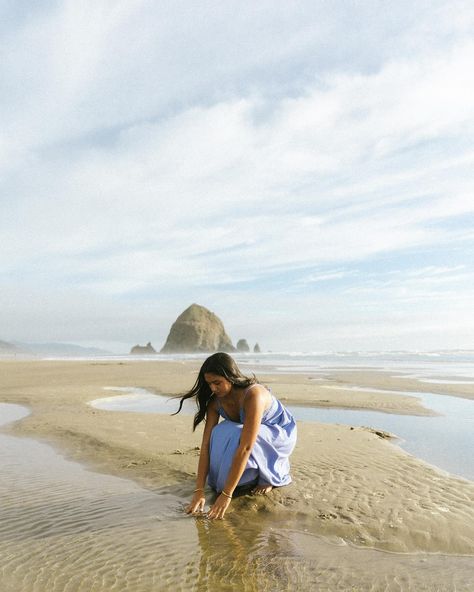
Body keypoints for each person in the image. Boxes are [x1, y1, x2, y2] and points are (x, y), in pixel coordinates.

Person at [174, 352, 297, 519]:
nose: (212, 388)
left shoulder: (254, 395)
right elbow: (205, 445)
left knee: (239, 434)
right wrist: (199, 491)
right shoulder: (215, 401)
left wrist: (226, 494)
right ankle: (241, 476)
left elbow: (246, 447)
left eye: (217, 383)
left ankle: (268, 477)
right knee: (218, 433)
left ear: (230, 377)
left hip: (278, 434)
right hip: (251, 432)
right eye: (209, 383)